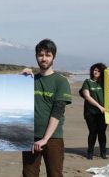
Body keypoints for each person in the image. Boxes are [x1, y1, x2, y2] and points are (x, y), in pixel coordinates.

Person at [22, 39, 72, 177]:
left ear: (53, 57)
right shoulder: (29, 80)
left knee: (54, 174)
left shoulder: (61, 81)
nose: (43, 58)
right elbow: (11, 99)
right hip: (30, 136)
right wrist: (19, 80)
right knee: (28, 174)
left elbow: (58, 112)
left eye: (47, 55)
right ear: (36, 57)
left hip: (53, 138)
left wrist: (45, 139)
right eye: (40, 54)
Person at [79, 63, 107, 160]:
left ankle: (103, 153)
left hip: (104, 113)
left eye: (99, 70)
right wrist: (99, 106)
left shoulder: (104, 83)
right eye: (94, 70)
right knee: (93, 132)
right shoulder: (87, 82)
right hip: (90, 112)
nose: (96, 72)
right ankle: (90, 153)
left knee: (102, 132)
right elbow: (87, 96)